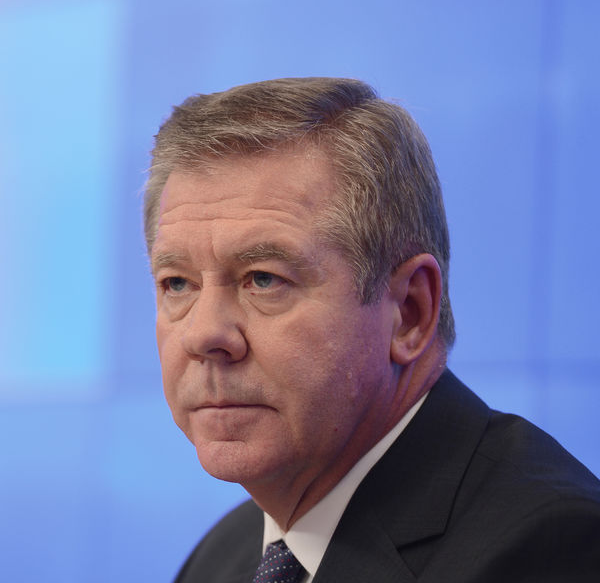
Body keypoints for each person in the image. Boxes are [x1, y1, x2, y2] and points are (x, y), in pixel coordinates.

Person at [143, 77, 600, 582]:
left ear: (409, 311)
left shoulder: (544, 547)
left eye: (264, 279)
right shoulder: (223, 556)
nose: (203, 334)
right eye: (177, 283)